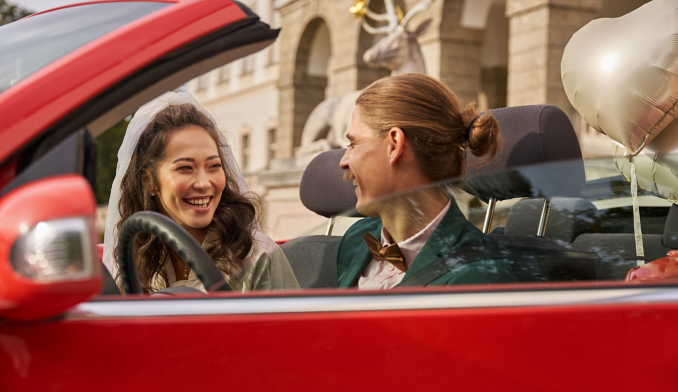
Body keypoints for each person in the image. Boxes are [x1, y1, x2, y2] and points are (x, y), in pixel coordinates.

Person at [103, 92, 299, 294]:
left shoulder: (257, 257)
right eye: (185, 168)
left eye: (214, 166)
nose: (204, 183)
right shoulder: (133, 258)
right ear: (149, 181)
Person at [337, 74, 517, 289]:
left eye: (353, 144)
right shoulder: (356, 238)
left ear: (394, 145)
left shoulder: (479, 276)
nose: (343, 161)